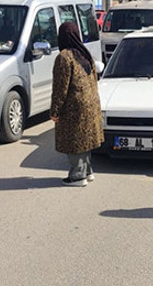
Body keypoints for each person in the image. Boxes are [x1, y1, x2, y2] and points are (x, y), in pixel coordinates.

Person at [50, 22, 104, 187]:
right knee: (85, 140)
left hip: (74, 107)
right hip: (91, 103)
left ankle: (78, 176)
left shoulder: (64, 57)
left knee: (74, 141)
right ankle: (87, 171)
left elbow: (60, 87)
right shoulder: (85, 54)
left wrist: (55, 111)